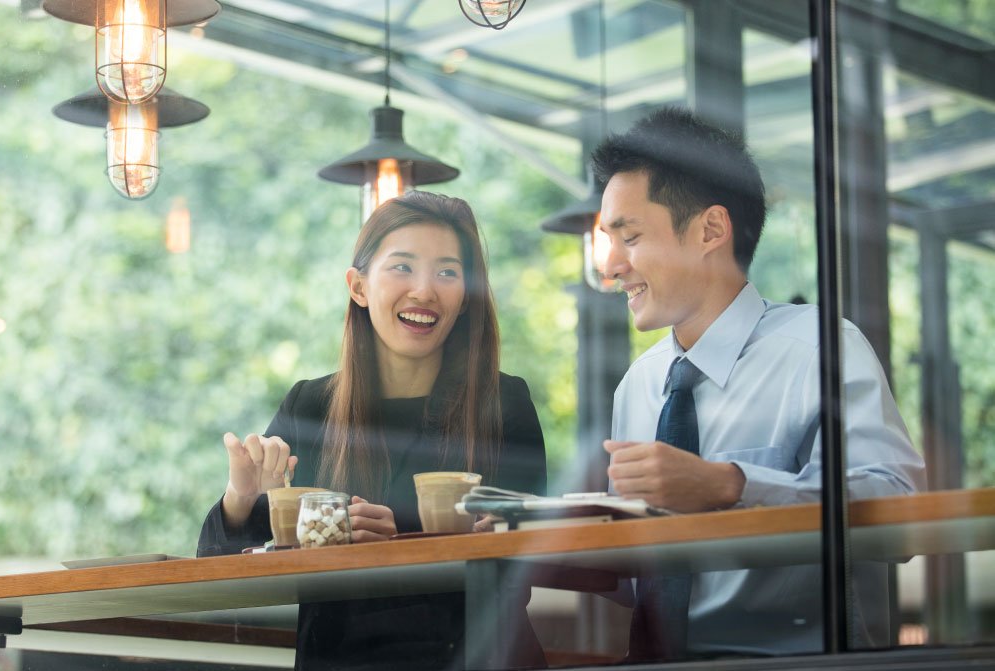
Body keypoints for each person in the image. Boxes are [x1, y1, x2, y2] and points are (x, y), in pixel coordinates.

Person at [592, 108, 926, 659]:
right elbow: (636, 586)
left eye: (628, 237)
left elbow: (898, 507)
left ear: (711, 230)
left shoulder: (820, 348)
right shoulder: (638, 385)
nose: (612, 266)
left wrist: (729, 485)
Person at [196, 191, 548, 670]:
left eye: (447, 272)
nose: (424, 291)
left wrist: (408, 544)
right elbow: (224, 572)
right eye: (402, 267)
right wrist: (240, 495)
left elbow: (527, 561)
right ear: (358, 287)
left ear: (466, 298)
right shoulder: (310, 407)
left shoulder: (503, 405)